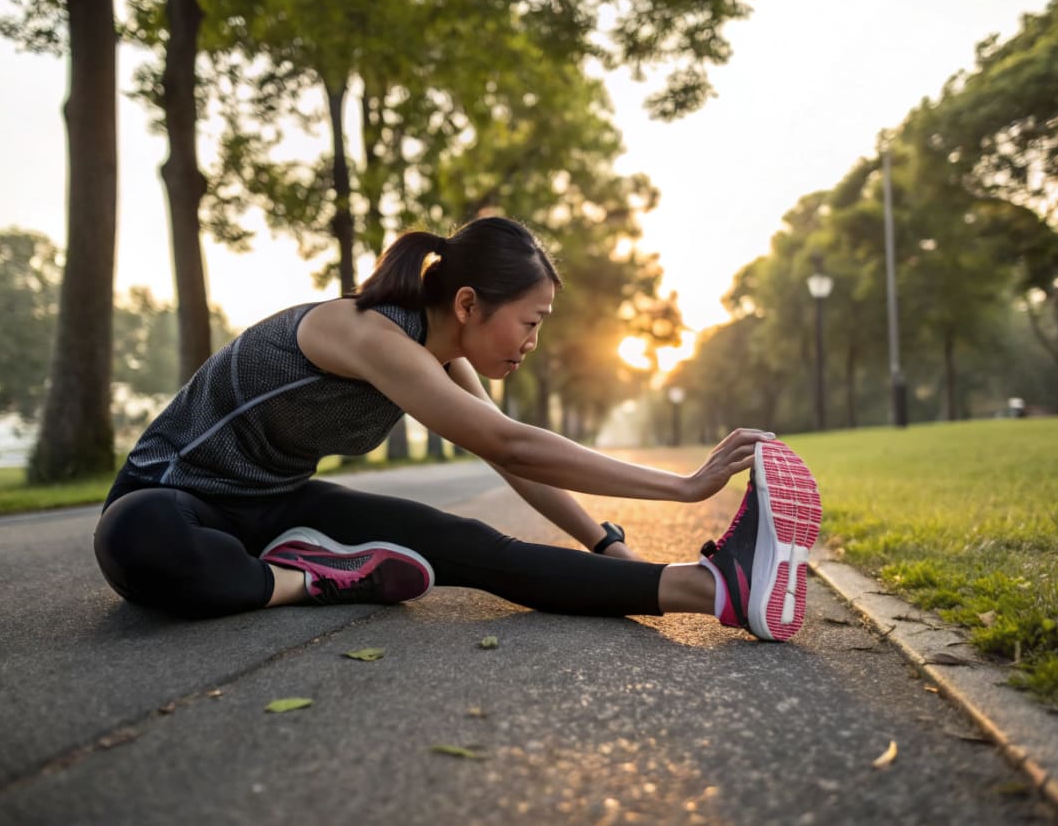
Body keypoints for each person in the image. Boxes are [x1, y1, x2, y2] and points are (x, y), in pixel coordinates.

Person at [94, 216, 821, 641]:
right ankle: (314, 582)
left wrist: (605, 543)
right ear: (470, 303)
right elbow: (514, 444)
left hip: (277, 507)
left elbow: (518, 461)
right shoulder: (366, 334)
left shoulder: (443, 360)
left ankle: (715, 589)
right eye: (529, 321)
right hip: (172, 498)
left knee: (475, 547)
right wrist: (685, 487)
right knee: (141, 541)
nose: (532, 341)